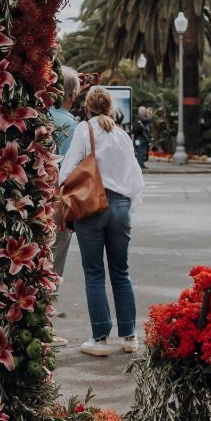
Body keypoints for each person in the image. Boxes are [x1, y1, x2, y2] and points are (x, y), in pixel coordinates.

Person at [58, 84, 144, 358]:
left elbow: (69, 169)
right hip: (121, 206)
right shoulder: (122, 135)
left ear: (87, 107)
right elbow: (135, 177)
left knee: (94, 273)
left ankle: (100, 338)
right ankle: (130, 336)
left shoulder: (85, 129)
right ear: (110, 107)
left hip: (92, 206)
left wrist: (63, 198)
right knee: (122, 272)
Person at [48, 66, 82, 345]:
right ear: (71, 96)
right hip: (56, 204)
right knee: (53, 264)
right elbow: (69, 171)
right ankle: (43, 325)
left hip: (28, 204)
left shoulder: (36, 117)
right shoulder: (69, 126)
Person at [133, 106, 152, 170]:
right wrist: (150, 114)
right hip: (141, 136)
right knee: (141, 151)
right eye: (144, 111)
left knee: (143, 151)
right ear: (140, 111)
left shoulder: (142, 117)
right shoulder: (140, 117)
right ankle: (140, 164)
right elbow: (148, 120)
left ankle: (142, 163)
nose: (145, 112)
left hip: (143, 137)